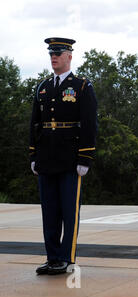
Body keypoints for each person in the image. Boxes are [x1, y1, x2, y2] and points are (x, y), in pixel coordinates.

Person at [29, 37, 98, 275]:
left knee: (69, 212)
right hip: (47, 157)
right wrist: (33, 155)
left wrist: (85, 157)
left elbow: (89, 124)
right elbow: (35, 124)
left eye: (58, 53)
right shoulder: (42, 87)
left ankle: (66, 259)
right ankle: (52, 258)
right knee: (49, 212)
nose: (53, 57)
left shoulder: (81, 86)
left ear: (69, 56)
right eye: (51, 54)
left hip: (70, 158)